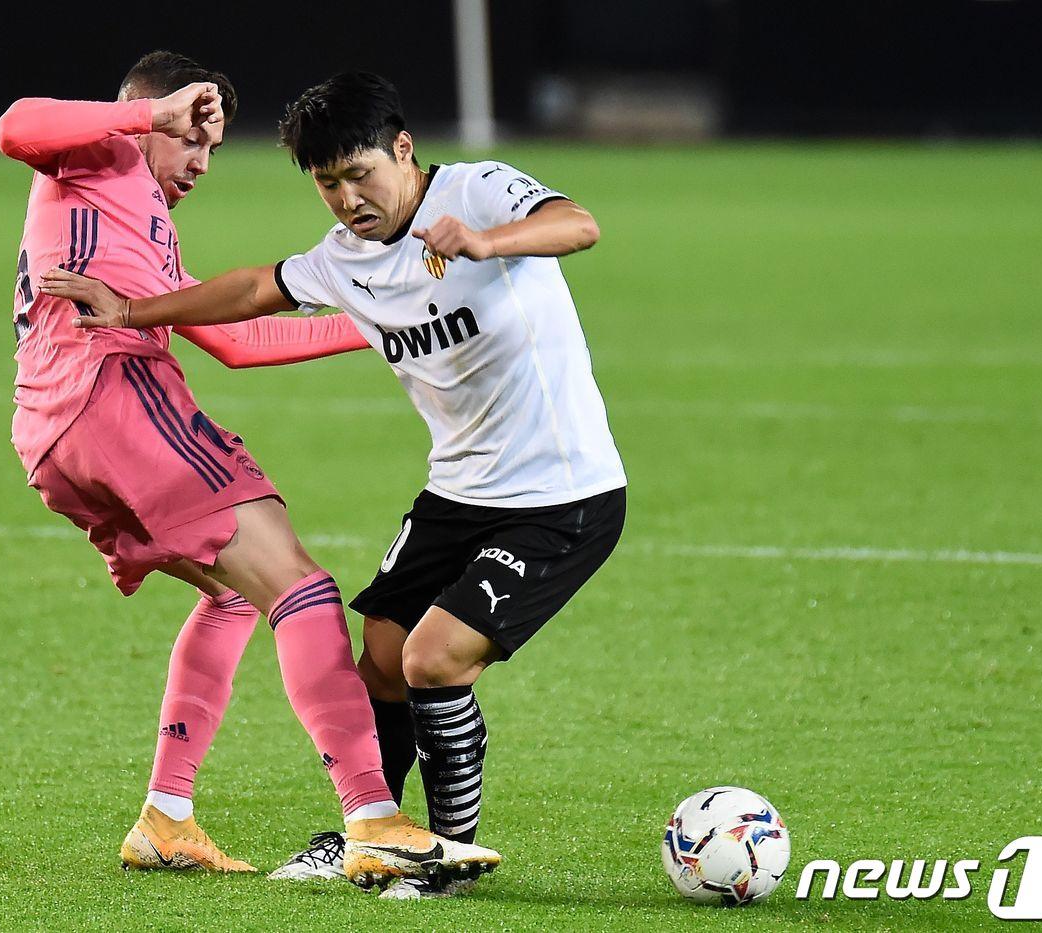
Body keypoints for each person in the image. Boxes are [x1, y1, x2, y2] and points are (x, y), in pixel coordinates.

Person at [37, 71, 628, 899]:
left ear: (403, 149)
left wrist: (487, 243)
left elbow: (579, 225)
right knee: (380, 658)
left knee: (430, 658)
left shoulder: (476, 191)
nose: (349, 199)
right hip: (458, 491)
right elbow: (253, 289)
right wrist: (132, 311)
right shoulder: (345, 257)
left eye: (361, 174)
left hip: (560, 495)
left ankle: (442, 855)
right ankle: (369, 832)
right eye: (328, 183)